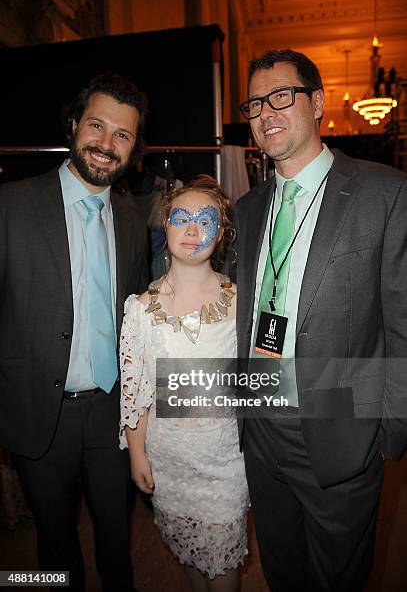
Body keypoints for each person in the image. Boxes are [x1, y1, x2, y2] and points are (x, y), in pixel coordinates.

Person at [235, 49, 407, 591]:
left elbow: (403, 321)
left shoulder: (385, 191)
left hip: (341, 425)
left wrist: (392, 425)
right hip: (260, 421)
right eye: (256, 103)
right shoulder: (247, 207)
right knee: (282, 570)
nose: (267, 112)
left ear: (318, 102)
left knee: (339, 577)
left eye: (282, 96)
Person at [0, 72, 149, 591]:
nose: (107, 144)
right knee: (54, 546)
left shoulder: (132, 217)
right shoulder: (11, 204)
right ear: (73, 126)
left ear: (134, 148)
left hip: (112, 412)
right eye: (97, 126)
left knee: (117, 537)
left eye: (122, 134)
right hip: (40, 410)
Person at [119, 175, 249, 592]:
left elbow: (261, 384)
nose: (193, 231)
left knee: (223, 574)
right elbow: (134, 391)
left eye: (206, 220)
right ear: (165, 226)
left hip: (226, 464)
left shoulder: (241, 301)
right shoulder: (139, 310)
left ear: (222, 233)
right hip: (169, 464)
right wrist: (137, 455)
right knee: (190, 557)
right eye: (182, 218)